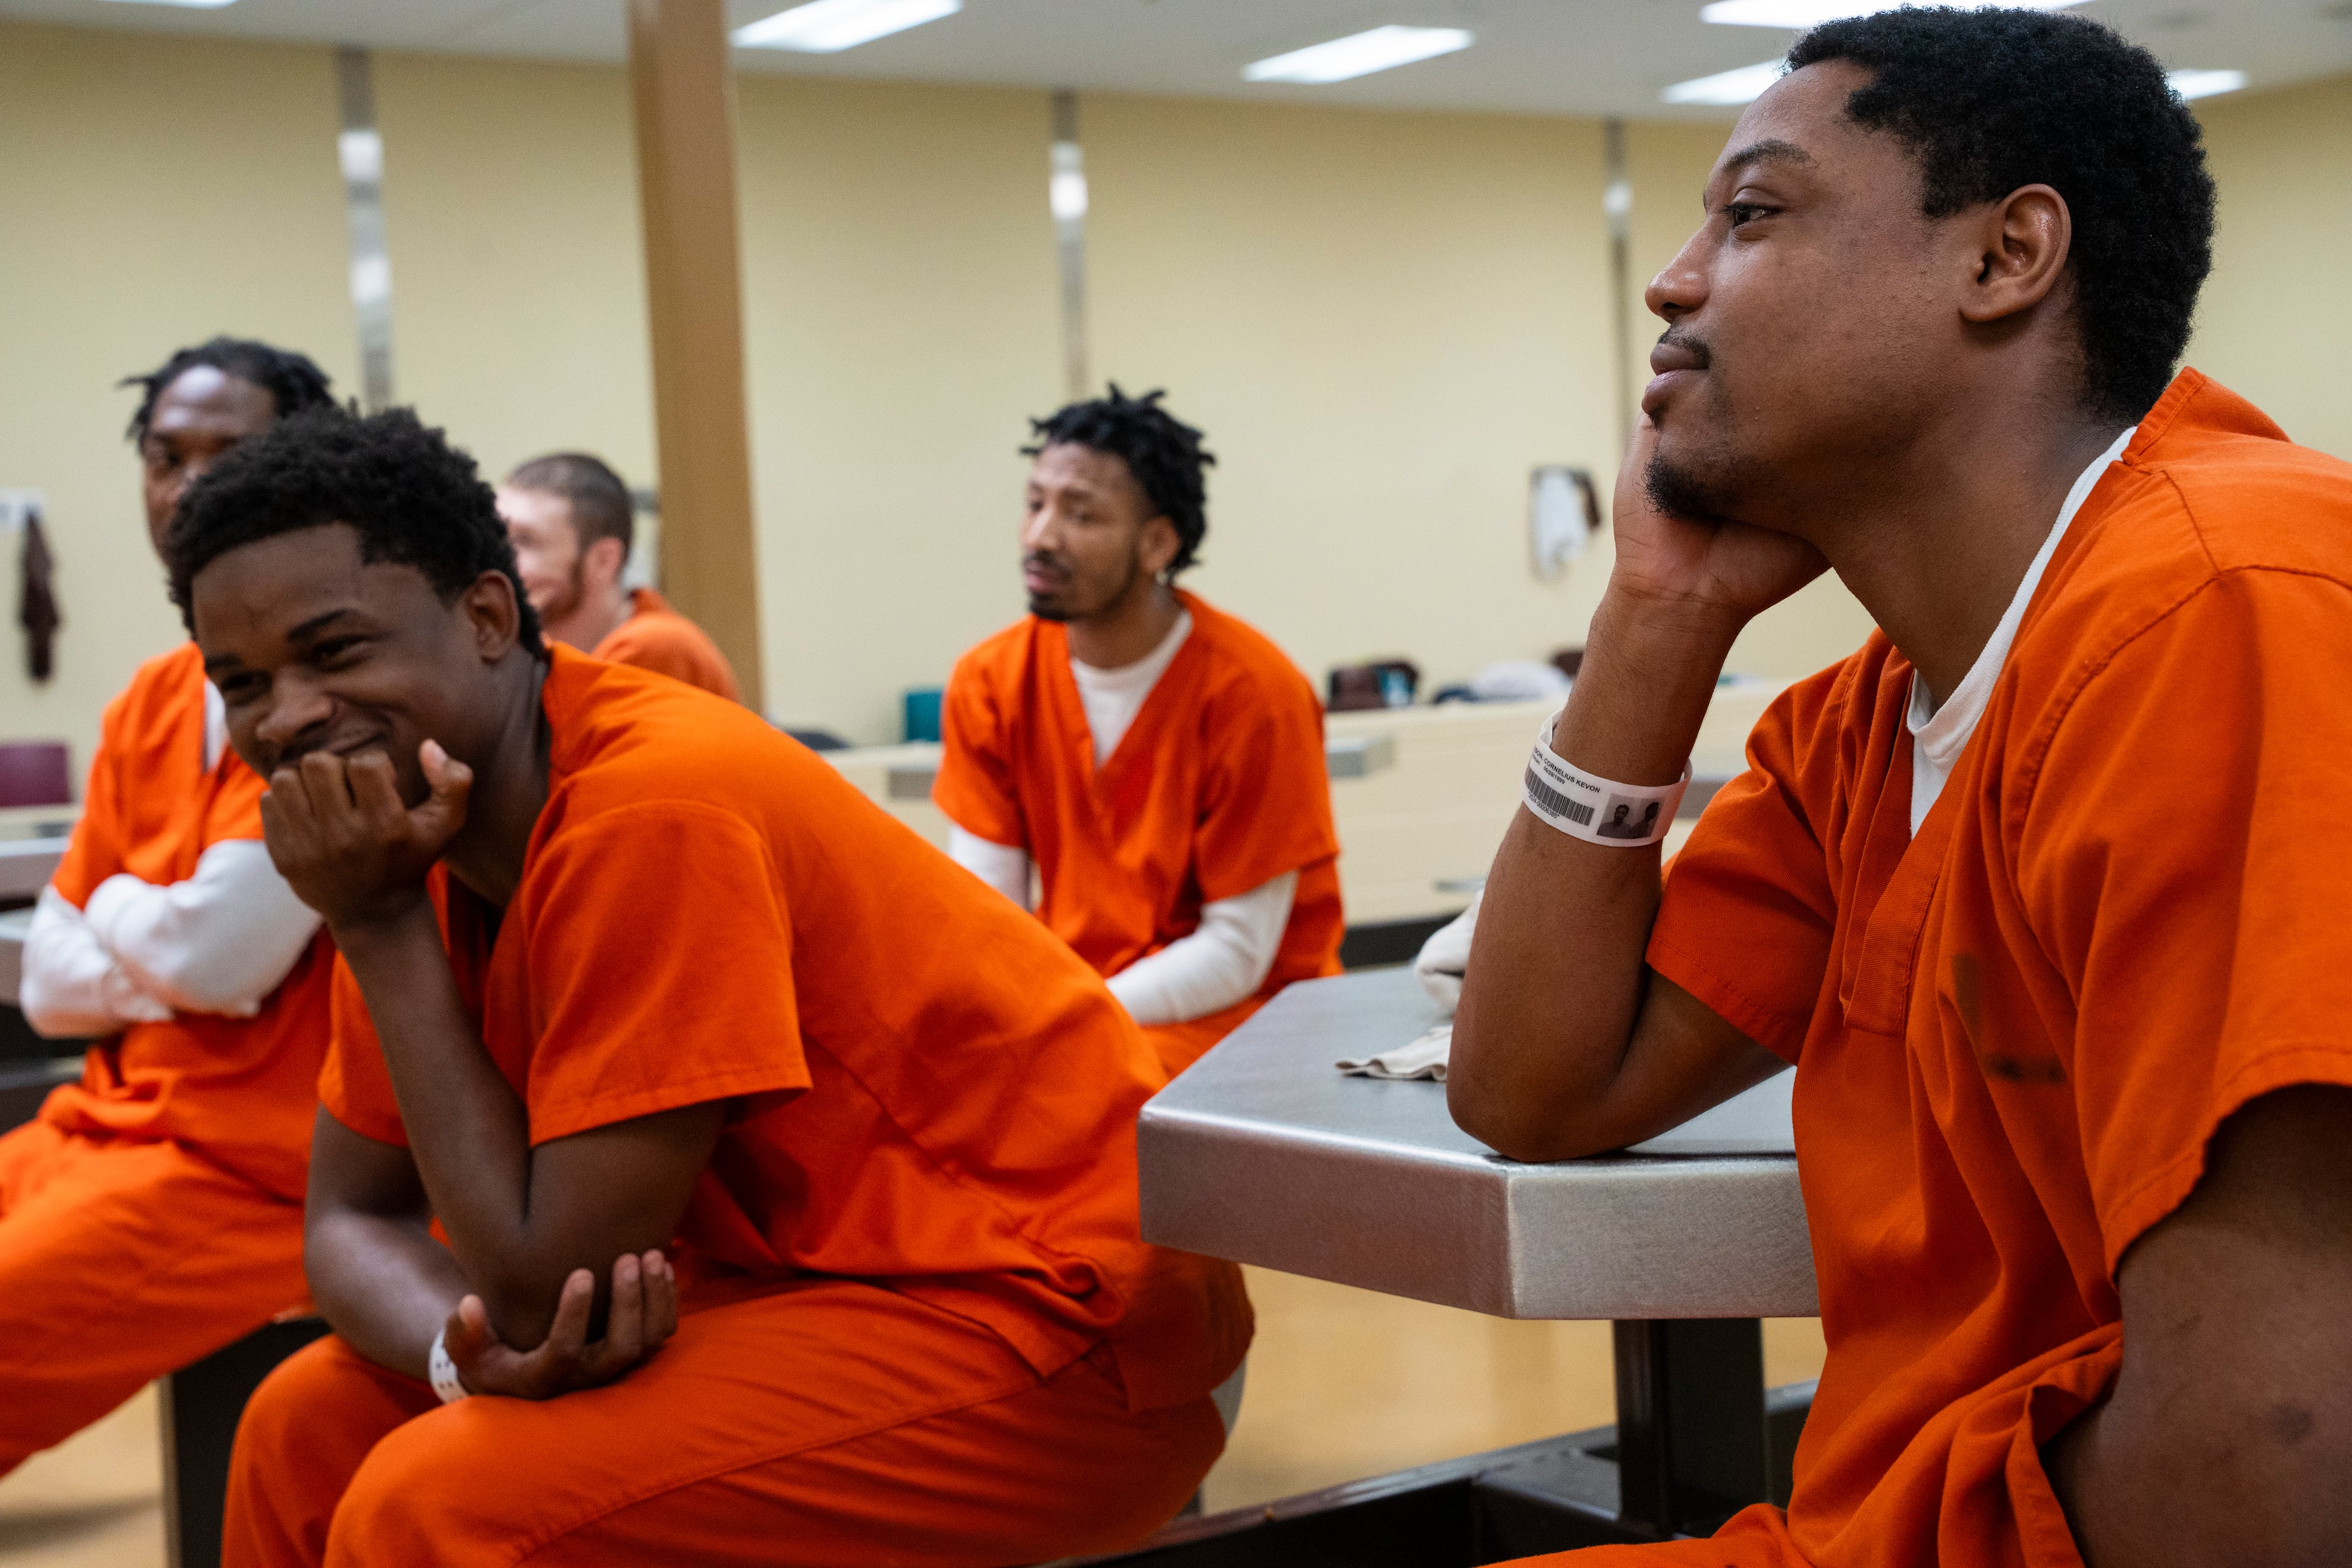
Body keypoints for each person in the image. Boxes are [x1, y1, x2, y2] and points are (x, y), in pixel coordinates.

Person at [1451, 11, 2352, 1567]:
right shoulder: (1867, 720)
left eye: (1749, 214)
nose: (1670, 282)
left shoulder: (2223, 609)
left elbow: (2260, 1490)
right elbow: (1534, 1082)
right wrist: (1654, 617)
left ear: (2004, 257)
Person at [168, 408, 1249, 1567]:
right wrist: (462, 1351)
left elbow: (548, 1290)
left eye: (332, 653)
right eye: (243, 684)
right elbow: (349, 1220)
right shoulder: (412, 831)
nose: (286, 719)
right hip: (782, 1292)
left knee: (438, 1503)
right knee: (302, 1428)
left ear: (487, 616)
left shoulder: (646, 806)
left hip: (1056, 1323)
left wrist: (375, 927)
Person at [2, 337, 341, 1474]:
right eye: (165, 454)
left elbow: (221, 961)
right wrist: (168, 939)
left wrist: (125, 928)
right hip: (105, 1118)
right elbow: (47, 988)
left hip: (253, 1171)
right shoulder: (150, 698)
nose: (187, 482)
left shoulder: (332, 685)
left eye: (225, 453)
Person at [934, 388, 1343, 1075]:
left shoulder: (1256, 694)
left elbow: (1238, 953)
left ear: (1158, 542)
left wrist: (1068, 1018)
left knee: (1080, 1101)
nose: (1040, 536)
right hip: (1074, 1006)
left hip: (1245, 1018)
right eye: (1035, 504)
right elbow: (989, 915)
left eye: (1080, 513)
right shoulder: (990, 680)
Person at [496, 451, 739, 699]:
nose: (498, 557)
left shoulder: (653, 646)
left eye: (525, 541)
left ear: (604, 561)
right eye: (495, 534)